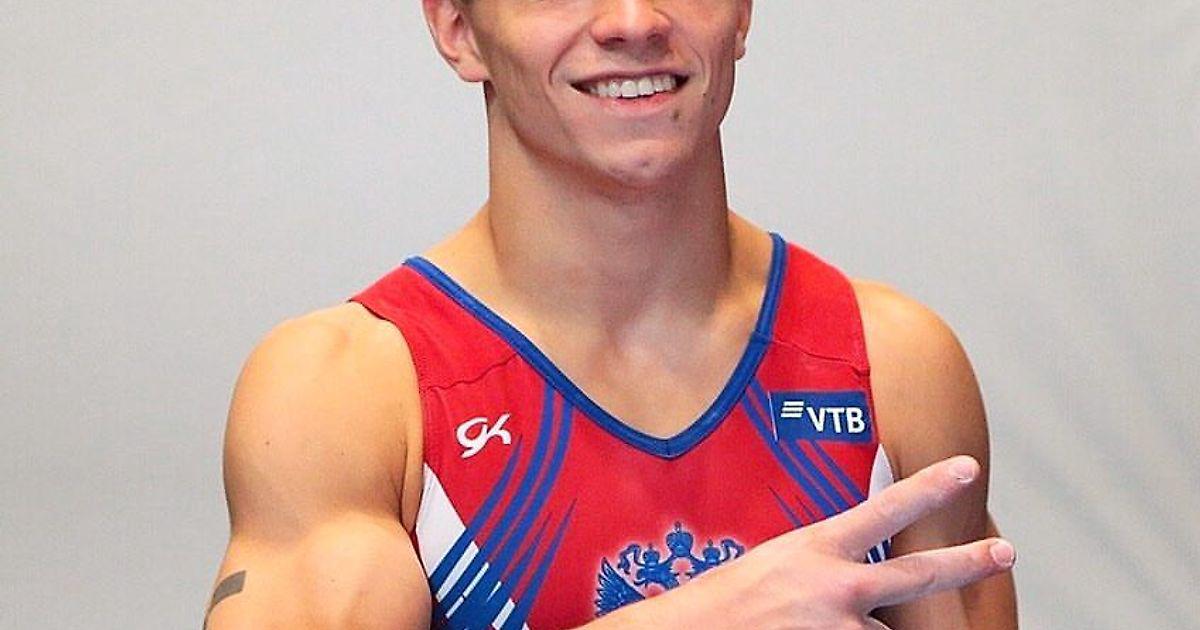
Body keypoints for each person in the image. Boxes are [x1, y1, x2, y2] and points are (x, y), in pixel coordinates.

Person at [204, 0, 1018, 627]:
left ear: (742, 14)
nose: (633, 21)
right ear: (458, 28)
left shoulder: (892, 363)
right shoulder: (348, 395)